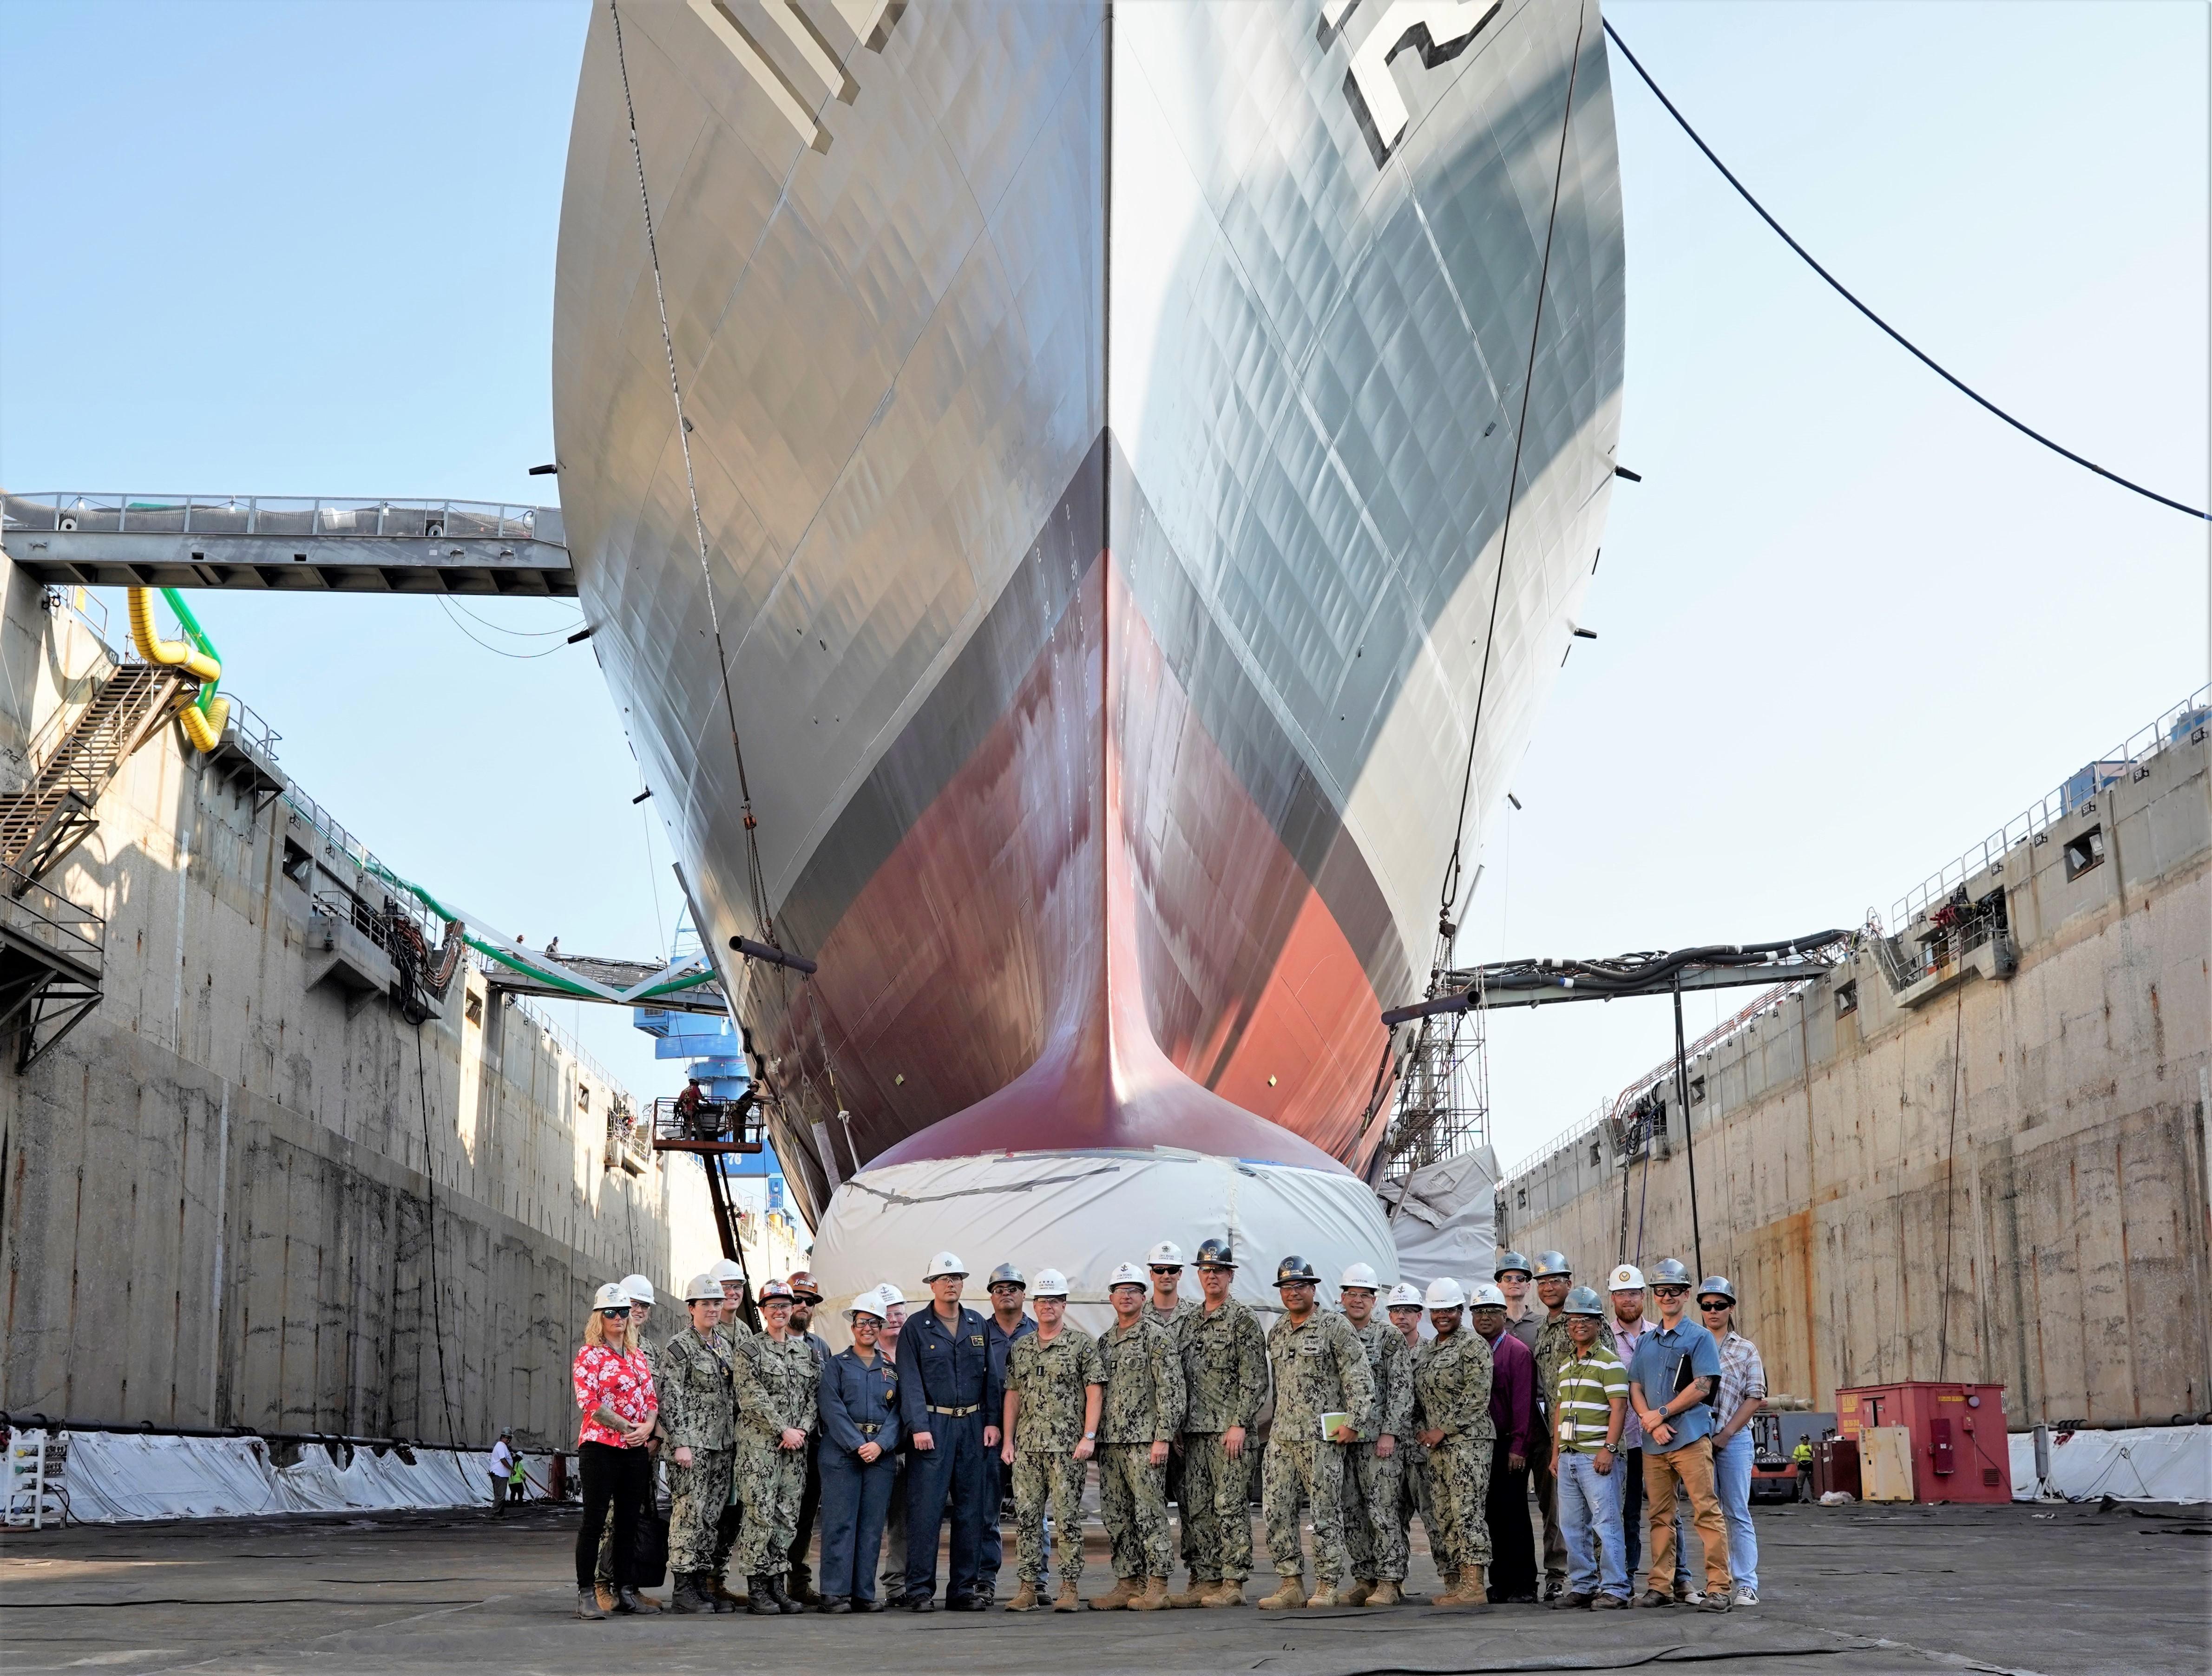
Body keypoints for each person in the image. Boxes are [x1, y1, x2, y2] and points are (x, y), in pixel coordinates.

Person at [1258, 1255, 1372, 1610]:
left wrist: (1354, 1421)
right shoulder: (1277, 1330)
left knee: (1324, 1513)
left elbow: (1358, 1376)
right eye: (1286, 1288)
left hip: (1321, 1438)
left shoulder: (1334, 1327)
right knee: (1275, 1510)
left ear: (1313, 1289)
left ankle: (1326, 1584)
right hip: (1282, 1437)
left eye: (1300, 1286)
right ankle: (1289, 1582)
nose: (1293, 1293)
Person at [1625, 1258, 1731, 1613]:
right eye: (1660, 1291)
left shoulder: (1699, 1337)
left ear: (1686, 1294)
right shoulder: (1646, 1342)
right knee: (1660, 1515)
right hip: (1654, 1443)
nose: (1666, 1296)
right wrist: (1649, 1420)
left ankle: (1717, 1588)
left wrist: (1662, 1413)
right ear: (1654, 1296)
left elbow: (1702, 1386)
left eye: (1673, 1290)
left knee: (1705, 1510)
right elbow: (1635, 1386)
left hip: (1688, 1437)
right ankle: (1660, 1586)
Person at [1171, 1237, 1268, 1608]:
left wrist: (1239, 1424)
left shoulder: (1241, 1319)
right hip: (1194, 1433)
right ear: (1199, 1275)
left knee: (1229, 1505)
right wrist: (1178, 1425)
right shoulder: (1189, 1321)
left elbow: (1255, 1377)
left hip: (1229, 1433)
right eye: (1206, 1270)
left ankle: (1232, 1581)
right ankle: (1205, 1577)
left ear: (1230, 1276)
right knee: (1196, 1508)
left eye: (1219, 1271)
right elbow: (1179, 1377)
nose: (1212, 1276)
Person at [999, 1268, 1104, 1612]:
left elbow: (1094, 1392)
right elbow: (1012, 1395)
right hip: (1029, 1447)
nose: (1048, 1307)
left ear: (1063, 1304)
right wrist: (1008, 1441)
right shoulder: (1022, 1348)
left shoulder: (1080, 1345)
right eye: (1042, 1301)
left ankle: (1069, 1588)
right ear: (1035, 1304)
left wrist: (1089, 1436)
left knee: (1068, 1520)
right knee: (1027, 1520)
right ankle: (1029, 1587)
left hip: (1066, 1448)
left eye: (1054, 1301)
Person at [897, 1251, 996, 1611]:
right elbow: (908, 1380)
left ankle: (963, 1591)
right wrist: (918, 1427)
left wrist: (992, 1422)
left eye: (956, 1278)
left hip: (972, 1425)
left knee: (971, 1511)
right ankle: (920, 1590)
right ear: (932, 1285)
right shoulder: (915, 1327)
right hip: (932, 1428)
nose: (951, 1284)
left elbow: (991, 1379)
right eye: (944, 1279)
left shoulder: (976, 1324)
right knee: (926, 1512)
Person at [1095, 1261, 1186, 1610]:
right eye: (1121, 1291)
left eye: (1133, 1291)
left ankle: (1158, 1584)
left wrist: (1162, 1437)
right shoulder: (1105, 1342)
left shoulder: (1155, 1337)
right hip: (1111, 1442)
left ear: (1143, 1296)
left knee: (1149, 1513)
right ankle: (1127, 1581)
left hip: (1145, 1443)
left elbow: (1172, 1390)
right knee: (1117, 1516)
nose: (1127, 1297)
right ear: (1111, 1298)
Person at [731, 1278, 820, 1614]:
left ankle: (777, 1584)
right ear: (763, 1311)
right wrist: (783, 1428)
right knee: (760, 1516)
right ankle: (757, 1589)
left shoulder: (806, 1352)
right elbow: (751, 1397)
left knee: (786, 1518)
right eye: (774, 1307)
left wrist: (801, 1429)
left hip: (794, 1450)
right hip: (760, 1449)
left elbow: (814, 1396)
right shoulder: (750, 1350)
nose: (781, 1311)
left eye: (786, 1305)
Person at [572, 1283, 658, 1620]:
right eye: (611, 1312)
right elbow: (589, 1403)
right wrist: (628, 1429)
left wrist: (648, 1427)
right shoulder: (589, 1355)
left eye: (624, 1311)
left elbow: (651, 1398)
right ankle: (585, 1593)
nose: (619, 1318)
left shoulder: (637, 1356)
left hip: (634, 1449)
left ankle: (625, 1590)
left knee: (628, 1522)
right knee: (593, 1522)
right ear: (599, 1317)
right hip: (600, 1447)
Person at [816, 1286, 904, 1613]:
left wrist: (880, 1445)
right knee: (840, 1523)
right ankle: (834, 1593)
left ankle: (863, 1593)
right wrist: (858, 1444)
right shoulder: (837, 1365)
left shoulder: (893, 1370)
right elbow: (831, 1408)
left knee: (871, 1525)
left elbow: (900, 1414)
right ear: (852, 1327)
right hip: (842, 1454)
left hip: (880, 1455)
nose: (867, 1328)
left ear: (881, 1327)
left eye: (873, 1323)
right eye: (861, 1323)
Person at [1409, 1278, 1493, 1609]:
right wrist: (1421, 1429)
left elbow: (1476, 1395)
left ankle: (1474, 1585)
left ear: (1460, 1311)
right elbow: (1418, 1396)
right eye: (1437, 1311)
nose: (1442, 1316)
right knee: (1443, 1513)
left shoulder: (1473, 1346)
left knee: (1466, 1511)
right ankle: (1456, 1582)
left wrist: (1441, 1429)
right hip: (1436, 1448)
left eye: (1449, 1310)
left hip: (1468, 1443)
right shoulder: (1427, 1350)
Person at [1548, 1287, 1631, 1610]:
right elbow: (1558, 1411)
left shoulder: (1609, 1364)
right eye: (1572, 1319)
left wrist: (1608, 1449)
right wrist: (1556, 1453)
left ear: (1598, 1323)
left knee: (1605, 1523)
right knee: (1570, 1526)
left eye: (1586, 1319)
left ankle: (1616, 1588)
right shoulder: (1567, 1366)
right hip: (1569, 1457)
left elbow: (1619, 1408)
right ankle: (1583, 1585)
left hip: (1595, 1456)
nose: (1578, 1324)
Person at [663, 1273, 741, 1614]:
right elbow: (669, 1396)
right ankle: (682, 1588)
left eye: (716, 1303)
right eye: (705, 1304)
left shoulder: (723, 1346)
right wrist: (680, 1442)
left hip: (721, 1446)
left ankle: (700, 1583)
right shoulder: (679, 1346)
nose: (712, 1309)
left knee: (710, 1517)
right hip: (692, 1447)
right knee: (688, 1514)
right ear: (691, 1307)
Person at [1337, 1263, 1412, 1608]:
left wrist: (1389, 1433)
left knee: (1383, 1511)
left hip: (1378, 1441)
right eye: (1351, 1294)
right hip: (1342, 1439)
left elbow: (1401, 1389)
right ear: (1341, 1297)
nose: (1357, 1301)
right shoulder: (1333, 1332)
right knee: (1351, 1512)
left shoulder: (1388, 1337)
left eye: (1364, 1295)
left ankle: (1389, 1580)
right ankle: (1364, 1577)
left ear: (1374, 1300)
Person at [593, 1275, 666, 1611]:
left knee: (636, 1519)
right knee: (609, 1519)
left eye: (643, 1306)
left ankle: (628, 1585)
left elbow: (657, 1398)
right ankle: (602, 1584)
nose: (637, 1311)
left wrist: (656, 1438)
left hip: (643, 1451)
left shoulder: (648, 1351)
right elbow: (596, 1401)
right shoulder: (601, 1347)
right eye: (631, 1305)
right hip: (611, 1447)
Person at [1469, 1281, 1538, 1603]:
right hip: (1478, 1446)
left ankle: (1524, 1584)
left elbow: (1524, 1404)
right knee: (1490, 1515)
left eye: (1491, 1311)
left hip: (1508, 1445)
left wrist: (1519, 1448)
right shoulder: (1468, 1350)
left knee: (1514, 1515)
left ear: (1502, 1314)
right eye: (1478, 1311)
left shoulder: (1516, 1352)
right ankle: (1500, 1582)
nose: (1484, 1317)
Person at [1698, 1276, 1765, 1606]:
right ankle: (1715, 1583)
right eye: (1706, 1306)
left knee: (1736, 1511)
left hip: (1734, 1440)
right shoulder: (1693, 1343)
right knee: (1706, 1513)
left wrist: (1725, 1435)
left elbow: (1755, 1396)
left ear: (1730, 1308)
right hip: (1697, 1442)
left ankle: (1745, 1584)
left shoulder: (1745, 1349)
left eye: (1719, 1305)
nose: (1712, 1311)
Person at [981, 1262, 1036, 1604]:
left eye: (1012, 1288)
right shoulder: (977, 1332)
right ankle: (985, 1580)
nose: (1006, 1293)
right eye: (999, 1289)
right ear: (991, 1296)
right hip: (988, 1432)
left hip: (1032, 1432)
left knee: (1033, 1511)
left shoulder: (1039, 1330)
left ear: (1024, 1294)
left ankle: (1036, 1580)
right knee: (985, 1510)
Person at [705, 1257, 755, 1608]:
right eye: (725, 1288)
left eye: (737, 1287)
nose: (732, 1293)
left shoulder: (745, 1332)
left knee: (732, 1513)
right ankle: (696, 1579)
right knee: (706, 1510)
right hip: (710, 1437)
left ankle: (715, 1577)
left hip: (739, 1438)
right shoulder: (703, 1331)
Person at [1527, 1251, 1576, 1600]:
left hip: (1583, 1428)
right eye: (1542, 1283)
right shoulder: (1543, 1327)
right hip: (1551, 1428)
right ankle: (1557, 1574)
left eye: (1554, 1281)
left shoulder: (1583, 1318)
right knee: (1553, 1508)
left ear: (1568, 1284)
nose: (1547, 1288)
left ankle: (1602, 1580)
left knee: (1590, 1507)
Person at [782, 1271, 832, 1604]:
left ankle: (798, 1586)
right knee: (774, 1517)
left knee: (803, 1520)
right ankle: (769, 1584)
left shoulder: (820, 1348)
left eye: (809, 1302)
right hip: (776, 1447)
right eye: (797, 1299)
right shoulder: (764, 1342)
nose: (803, 1306)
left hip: (812, 1446)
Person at [1383, 1282, 1435, 1580]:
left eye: (1409, 1311)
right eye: (1396, 1310)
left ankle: (1453, 1580)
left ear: (1419, 1315)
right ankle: (1393, 1580)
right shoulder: (1380, 1351)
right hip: (1389, 1450)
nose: (1401, 1316)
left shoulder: (1431, 1352)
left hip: (1423, 1449)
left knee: (1434, 1516)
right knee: (1390, 1518)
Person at [876, 1289, 914, 1603]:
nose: (893, 1319)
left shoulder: (916, 1352)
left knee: (905, 1521)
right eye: (886, 1313)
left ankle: (897, 1586)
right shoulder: (861, 1353)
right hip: (874, 1451)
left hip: (911, 1450)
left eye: (899, 1313)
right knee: (868, 1521)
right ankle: (854, 1587)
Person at [1495, 1251, 1540, 1352]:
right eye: (1508, 1278)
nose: (1514, 1282)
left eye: (1520, 1278)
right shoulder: (1493, 1324)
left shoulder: (1542, 1324)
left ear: (1528, 1286)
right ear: (1499, 1286)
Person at [488, 1427, 518, 1516]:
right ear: (502, 1437)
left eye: (510, 1438)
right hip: (499, 1475)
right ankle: (495, 1514)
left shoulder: (503, 1446)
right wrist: (511, 1469)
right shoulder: (501, 1446)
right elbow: (503, 1460)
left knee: (500, 1496)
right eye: (507, 1438)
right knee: (500, 1496)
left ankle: (499, 1514)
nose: (508, 1440)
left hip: (501, 1475)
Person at [1791, 1435, 1815, 1502]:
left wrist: (1810, 1452)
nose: (1805, 1441)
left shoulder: (1811, 1447)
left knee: (1813, 1484)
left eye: (1806, 1440)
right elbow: (1795, 1457)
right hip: (1802, 1468)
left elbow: (1815, 1455)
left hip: (1810, 1468)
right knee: (1800, 1484)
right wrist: (1796, 1466)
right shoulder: (1798, 1448)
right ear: (1802, 1440)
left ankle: (1815, 1498)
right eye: (1804, 1440)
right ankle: (1799, 1497)